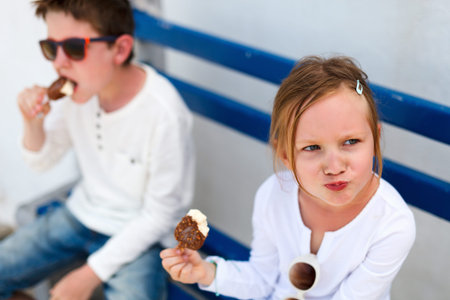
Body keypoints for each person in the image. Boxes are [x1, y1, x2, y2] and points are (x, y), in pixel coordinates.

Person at [160, 56, 416, 299]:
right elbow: (263, 278)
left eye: (350, 141)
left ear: (375, 139)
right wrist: (207, 272)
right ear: (285, 154)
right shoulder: (273, 195)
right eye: (312, 148)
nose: (334, 166)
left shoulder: (392, 224)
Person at [0, 0, 194, 299]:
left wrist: (87, 276)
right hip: (82, 215)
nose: (59, 63)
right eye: (52, 48)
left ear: (119, 49)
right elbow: (41, 161)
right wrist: (32, 123)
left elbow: (161, 216)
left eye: (75, 48)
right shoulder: (80, 94)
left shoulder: (164, 114)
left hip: (142, 237)